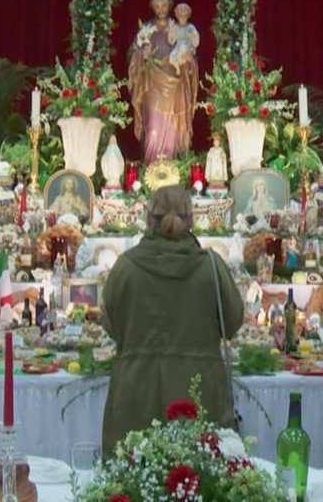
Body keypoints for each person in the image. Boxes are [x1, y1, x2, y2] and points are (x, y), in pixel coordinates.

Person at [101, 185, 243, 454]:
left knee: (133, 484)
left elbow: (111, 326)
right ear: (191, 219)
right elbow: (232, 321)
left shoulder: (126, 267)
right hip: (200, 393)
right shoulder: (211, 267)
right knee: (201, 482)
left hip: (136, 395)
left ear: (147, 218)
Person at [128, 0, 198, 162]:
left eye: (164, 5)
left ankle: (173, 167)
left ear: (170, 6)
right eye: (157, 6)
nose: (161, 9)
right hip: (153, 84)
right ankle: (151, 167)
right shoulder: (146, 30)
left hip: (175, 85)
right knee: (153, 127)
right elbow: (132, 54)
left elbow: (191, 58)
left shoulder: (180, 28)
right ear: (152, 7)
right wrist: (141, 55)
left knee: (174, 129)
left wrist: (189, 61)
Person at [168, 3, 200, 73]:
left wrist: (192, 36)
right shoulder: (175, 27)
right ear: (177, 15)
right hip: (178, 47)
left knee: (183, 48)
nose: (182, 17)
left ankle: (188, 62)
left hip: (187, 46)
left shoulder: (190, 27)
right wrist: (170, 29)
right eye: (180, 15)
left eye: (185, 15)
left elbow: (195, 41)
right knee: (171, 56)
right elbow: (171, 41)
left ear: (188, 16)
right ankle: (177, 67)